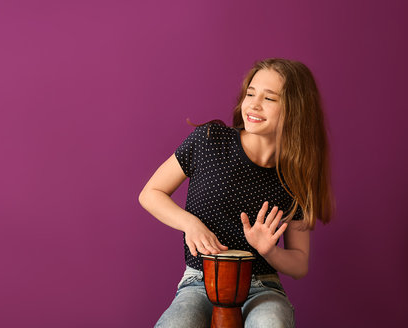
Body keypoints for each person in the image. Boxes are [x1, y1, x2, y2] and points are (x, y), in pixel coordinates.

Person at [138, 58, 334, 327]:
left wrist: (269, 252)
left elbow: (299, 264)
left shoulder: (297, 176)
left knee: (272, 323)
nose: (253, 104)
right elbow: (151, 193)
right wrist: (190, 224)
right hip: (199, 280)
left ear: (295, 110)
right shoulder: (209, 140)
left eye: (269, 98)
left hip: (262, 286)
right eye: (250, 94)